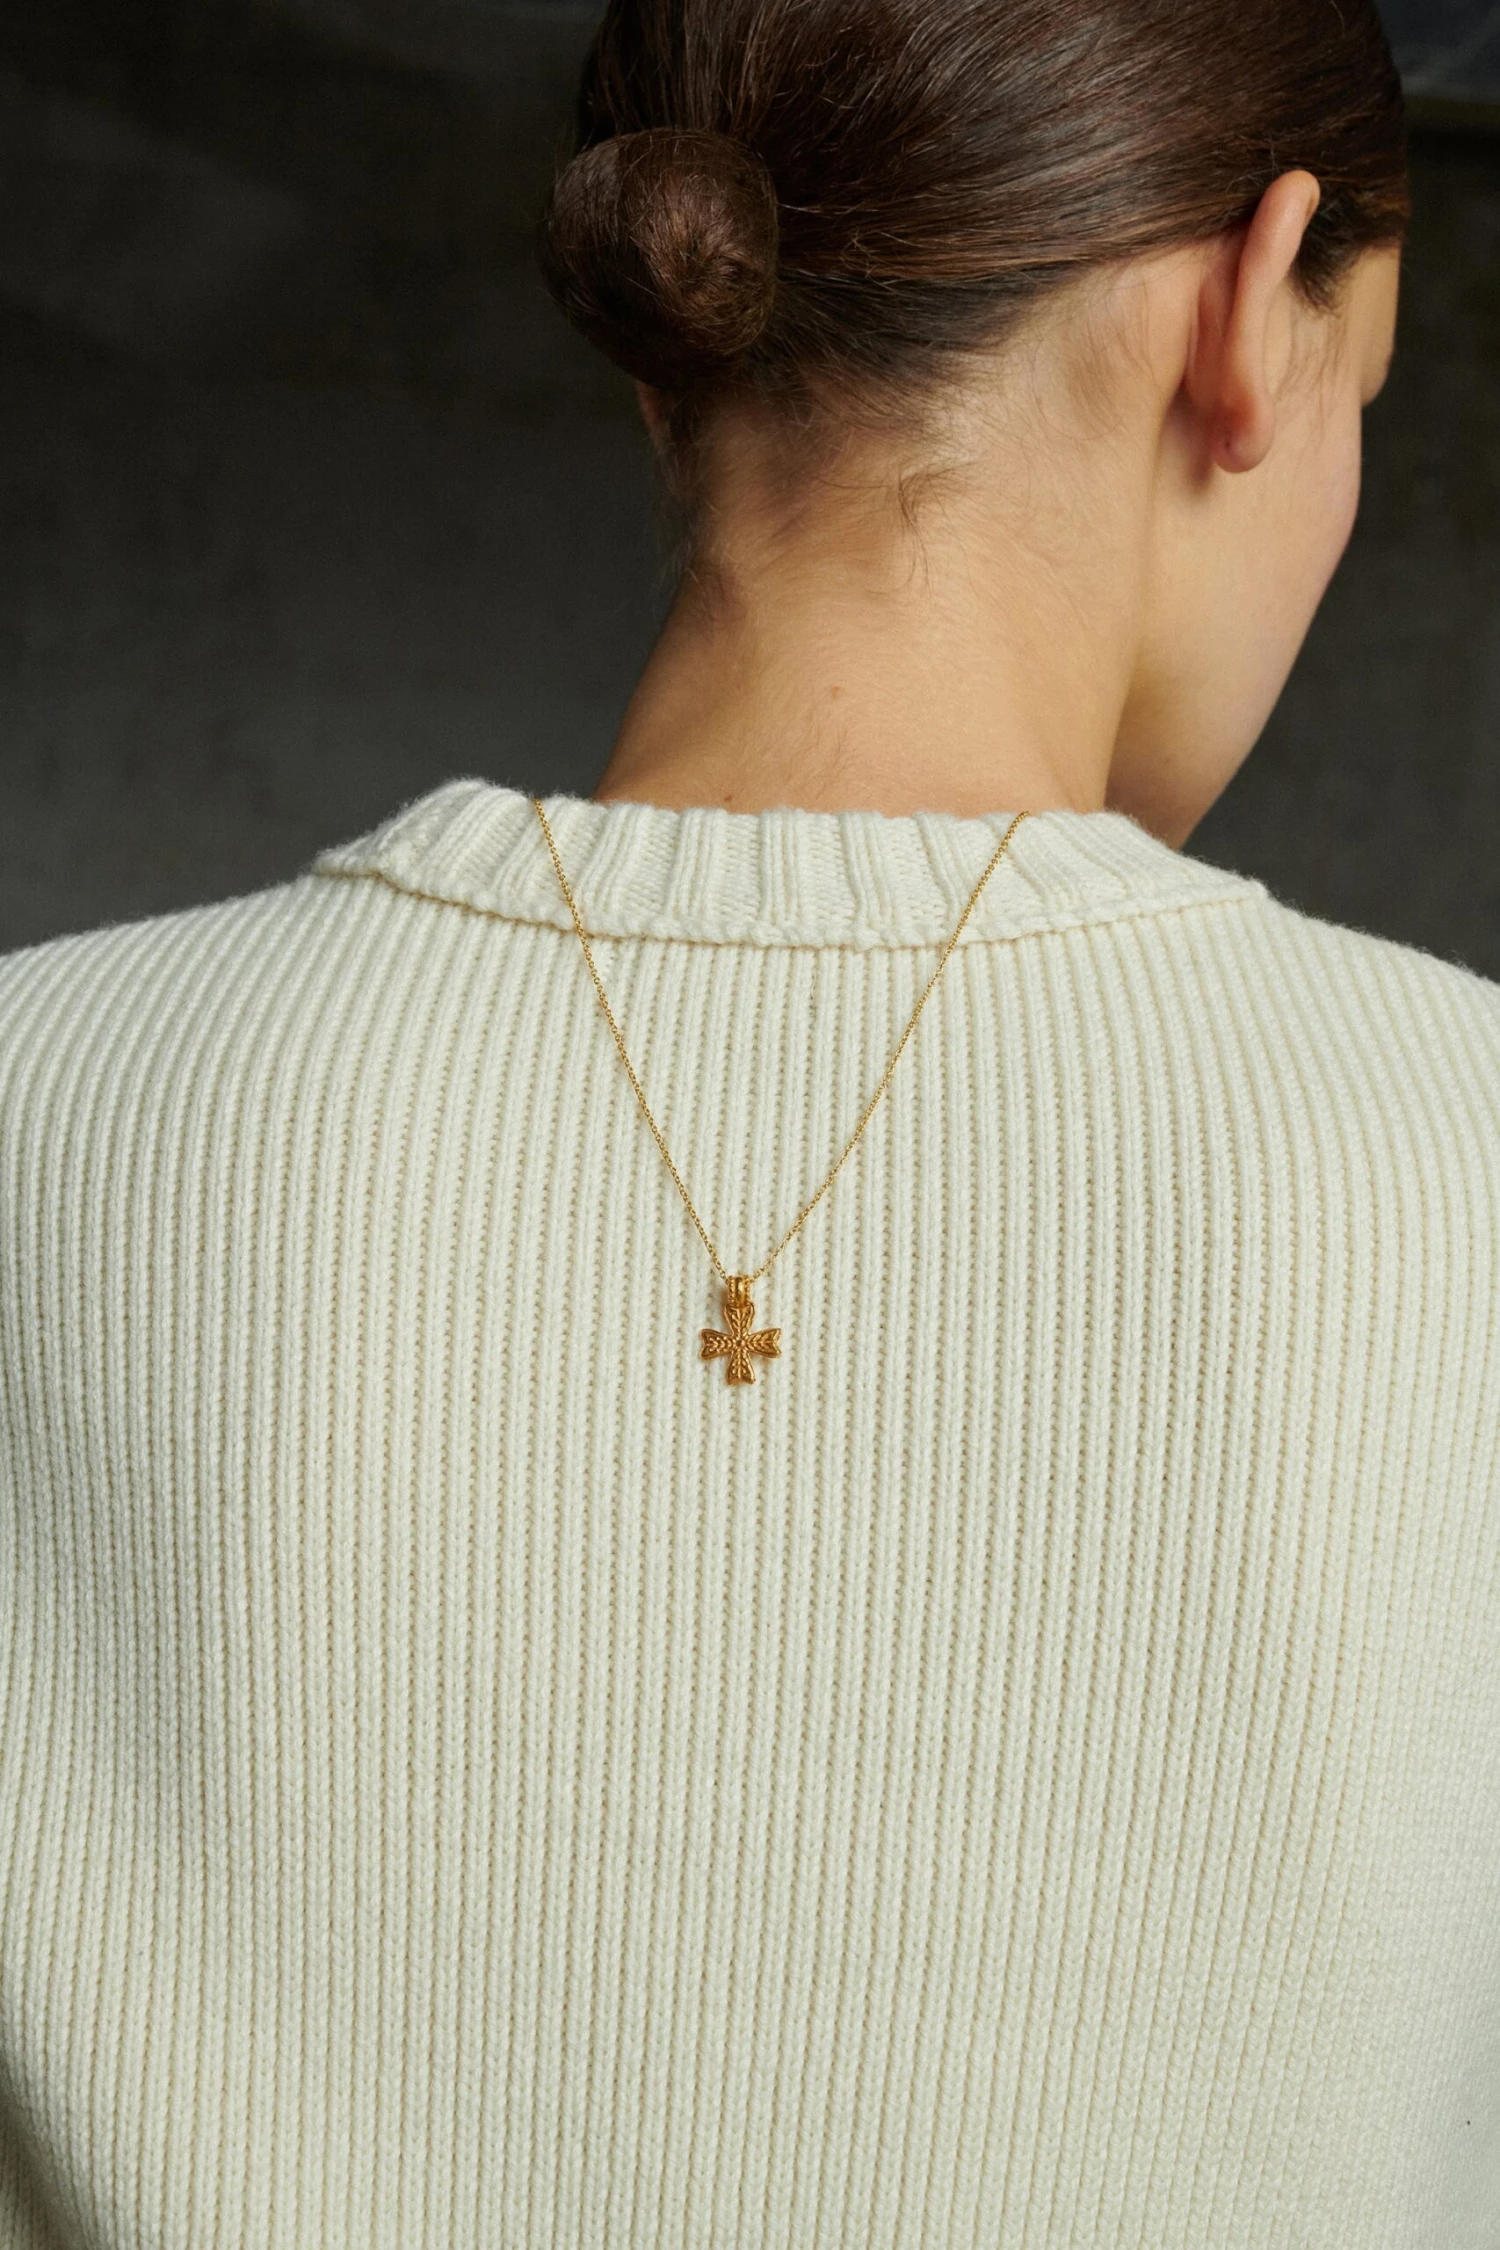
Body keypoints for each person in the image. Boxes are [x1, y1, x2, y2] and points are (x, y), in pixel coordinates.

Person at [1, 2, 1497, 2246]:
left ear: (674, 346)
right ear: (1247, 313)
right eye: (1357, 393)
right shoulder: (1464, 1153)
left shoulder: (41, 1102)